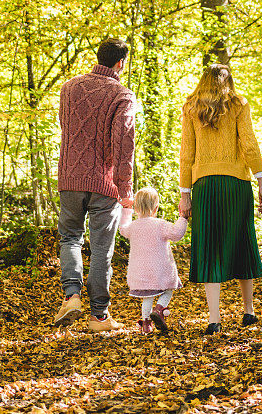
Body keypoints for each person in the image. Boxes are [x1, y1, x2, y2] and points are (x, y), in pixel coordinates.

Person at [178, 63, 262, 335]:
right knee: (242, 242)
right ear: (228, 80)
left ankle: (214, 320)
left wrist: (185, 194)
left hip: (204, 185)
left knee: (210, 247)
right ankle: (249, 312)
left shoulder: (191, 106)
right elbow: (249, 143)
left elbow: (186, 153)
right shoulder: (238, 103)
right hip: (237, 184)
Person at [53, 37, 136, 333]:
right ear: (120, 63)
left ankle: (71, 296)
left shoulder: (70, 87)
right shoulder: (122, 95)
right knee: (102, 249)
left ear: (99, 57)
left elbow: (67, 129)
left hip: (71, 178)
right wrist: (125, 191)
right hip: (105, 184)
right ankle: (99, 316)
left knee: (70, 238)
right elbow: (124, 146)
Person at [119, 187, 188, 333]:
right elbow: (177, 233)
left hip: (140, 272)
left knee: (147, 297)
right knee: (169, 289)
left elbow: (122, 229)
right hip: (160, 270)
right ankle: (159, 309)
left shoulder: (133, 227)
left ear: (136, 207)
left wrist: (126, 210)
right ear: (156, 207)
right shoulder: (160, 225)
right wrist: (183, 217)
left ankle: (146, 325)